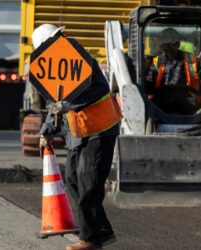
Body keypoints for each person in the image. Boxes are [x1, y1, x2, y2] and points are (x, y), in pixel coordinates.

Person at [33, 24, 122, 250]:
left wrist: (68, 105)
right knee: (73, 180)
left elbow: (98, 91)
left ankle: (91, 239)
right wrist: (47, 132)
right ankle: (100, 229)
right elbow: (57, 104)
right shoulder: (56, 66)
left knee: (88, 184)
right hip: (78, 131)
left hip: (99, 129)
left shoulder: (81, 61)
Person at [145, 27, 201, 115]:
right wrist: (146, 76)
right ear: (161, 46)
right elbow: (149, 86)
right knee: (151, 109)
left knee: (198, 111)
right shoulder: (156, 62)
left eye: (172, 44)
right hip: (162, 99)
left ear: (178, 44)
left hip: (186, 98)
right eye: (166, 45)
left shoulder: (191, 60)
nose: (169, 48)